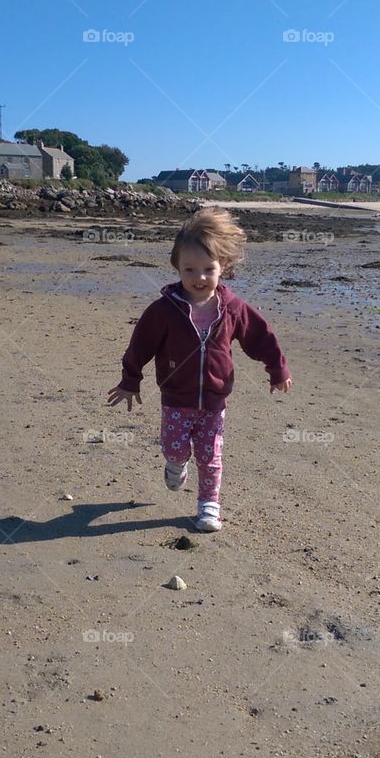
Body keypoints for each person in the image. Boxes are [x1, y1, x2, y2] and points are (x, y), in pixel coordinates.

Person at [107, 207, 292, 532]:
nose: (199, 277)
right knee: (174, 448)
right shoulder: (164, 311)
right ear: (176, 267)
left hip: (215, 402)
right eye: (189, 269)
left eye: (209, 269)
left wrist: (277, 369)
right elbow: (141, 345)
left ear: (224, 267)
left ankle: (209, 506)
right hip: (176, 399)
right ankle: (175, 465)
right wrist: (129, 380)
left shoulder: (233, 308)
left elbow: (260, 337)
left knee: (211, 457)